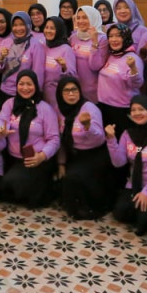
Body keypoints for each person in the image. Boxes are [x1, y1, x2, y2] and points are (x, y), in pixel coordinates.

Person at [107, 94, 147, 234]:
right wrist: (111, 140)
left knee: (144, 220)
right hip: (135, 185)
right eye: (133, 110)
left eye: (141, 109)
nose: (137, 113)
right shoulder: (127, 134)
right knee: (120, 212)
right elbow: (119, 163)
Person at [0, 70, 59, 208]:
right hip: (13, 158)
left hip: (36, 159)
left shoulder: (45, 109)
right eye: (21, 84)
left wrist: (42, 156)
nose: (25, 88)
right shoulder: (10, 104)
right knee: (0, 189)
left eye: (29, 84)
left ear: (36, 85)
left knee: (15, 185)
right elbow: (0, 119)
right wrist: (0, 129)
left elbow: (54, 139)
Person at [56, 75, 113, 220]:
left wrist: (87, 126)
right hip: (74, 154)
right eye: (66, 91)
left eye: (74, 90)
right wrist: (61, 163)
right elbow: (61, 139)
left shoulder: (89, 108)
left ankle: (89, 208)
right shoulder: (60, 110)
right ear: (60, 94)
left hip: (95, 154)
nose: (71, 94)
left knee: (74, 177)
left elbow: (100, 137)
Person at [96, 23, 145, 137]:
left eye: (118, 36)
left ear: (126, 38)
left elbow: (137, 84)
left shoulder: (133, 58)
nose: (114, 39)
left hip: (122, 110)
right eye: (111, 36)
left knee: (123, 143)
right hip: (105, 107)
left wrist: (133, 68)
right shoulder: (111, 55)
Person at [0, 11, 44, 109]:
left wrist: (35, 96)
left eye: (22, 24)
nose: (18, 28)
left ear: (28, 25)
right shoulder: (6, 42)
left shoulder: (35, 45)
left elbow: (38, 74)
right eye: (15, 25)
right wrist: (1, 58)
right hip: (5, 91)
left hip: (25, 93)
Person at [69, 6, 108, 99]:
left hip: (93, 91)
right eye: (78, 18)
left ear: (92, 18)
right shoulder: (73, 37)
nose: (80, 21)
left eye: (85, 17)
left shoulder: (102, 39)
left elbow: (95, 66)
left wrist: (94, 42)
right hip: (75, 88)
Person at [40, 17, 76, 111]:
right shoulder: (42, 46)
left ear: (59, 30)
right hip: (40, 96)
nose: (48, 31)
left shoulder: (66, 49)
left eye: (52, 28)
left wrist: (64, 67)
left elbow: (72, 77)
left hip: (56, 99)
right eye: (46, 27)